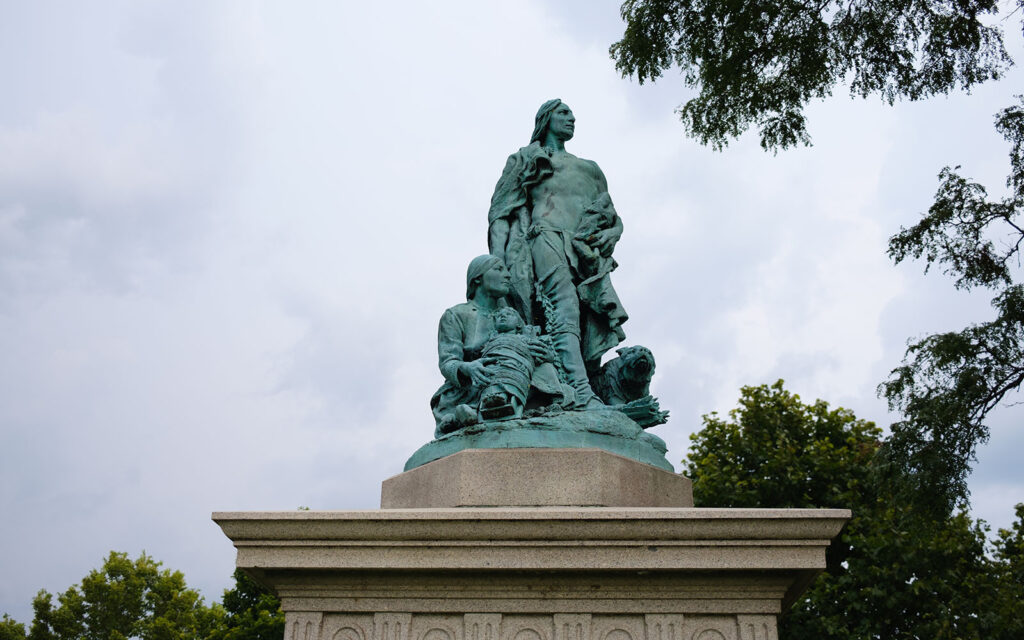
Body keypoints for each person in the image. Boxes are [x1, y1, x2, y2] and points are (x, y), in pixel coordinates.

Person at [487, 99, 628, 408]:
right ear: (545, 119)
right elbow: (500, 212)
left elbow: (612, 217)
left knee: (587, 318)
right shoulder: (526, 158)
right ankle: (581, 393)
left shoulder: (590, 169)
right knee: (564, 309)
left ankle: (578, 384)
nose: (572, 118)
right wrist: (497, 261)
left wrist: (611, 233)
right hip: (545, 237)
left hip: (586, 249)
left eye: (573, 114)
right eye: (564, 113)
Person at [429, 255, 568, 436]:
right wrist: (468, 368)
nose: (508, 275)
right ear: (477, 277)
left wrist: (545, 354)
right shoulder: (456, 315)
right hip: (474, 384)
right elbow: (448, 362)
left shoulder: (512, 316)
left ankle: (496, 410)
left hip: (516, 374)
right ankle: (470, 413)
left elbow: (528, 346)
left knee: (548, 376)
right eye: (499, 269)